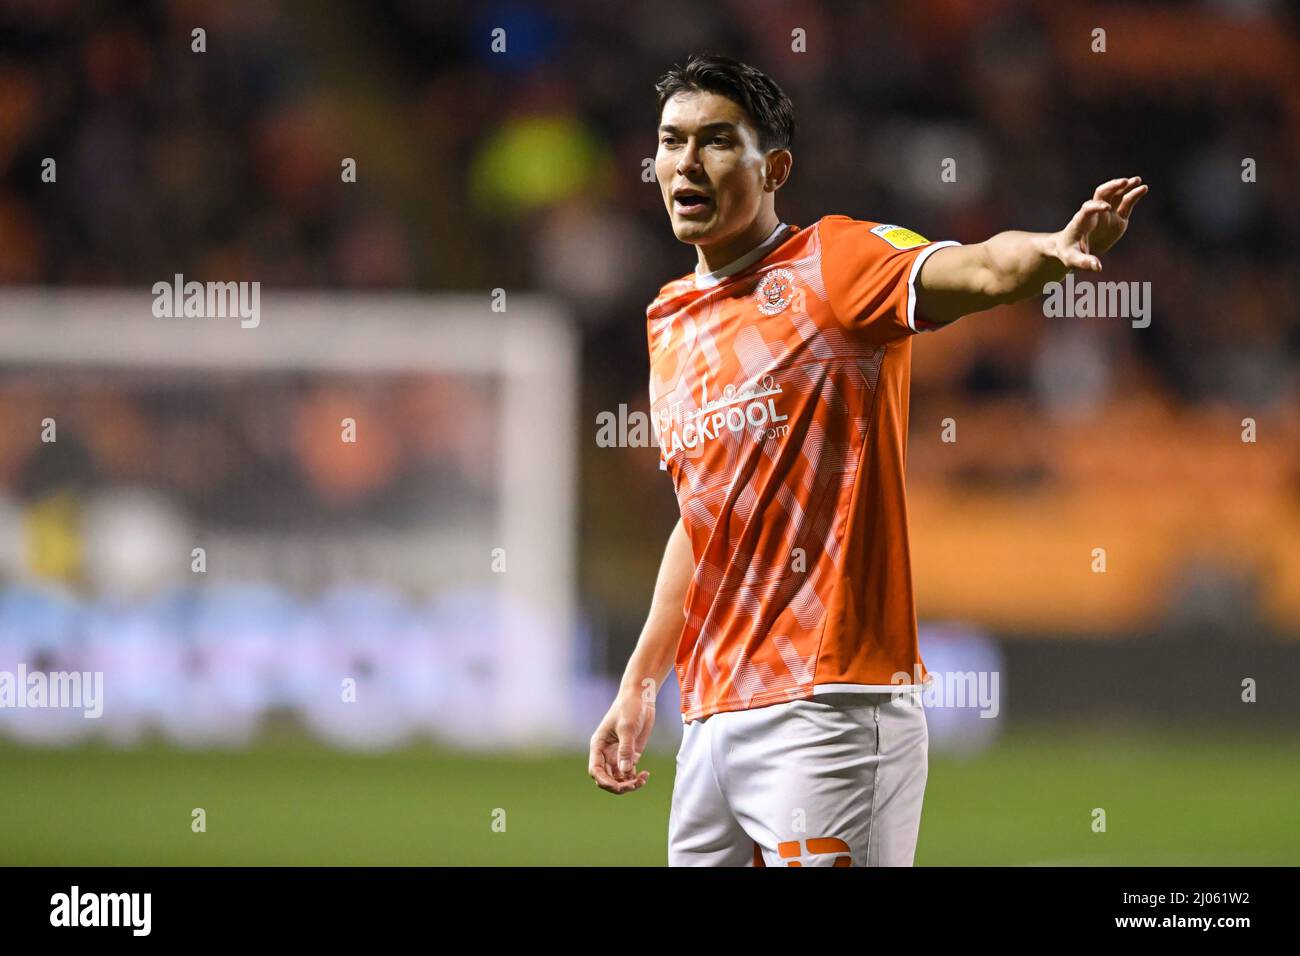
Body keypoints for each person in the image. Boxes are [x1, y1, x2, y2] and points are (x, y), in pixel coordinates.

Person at [587, 53, 1146, 867]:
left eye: (716, 141)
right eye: (672, 142)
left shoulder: (836, 264)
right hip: (711, 721)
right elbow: (701, 519)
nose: (686, 163)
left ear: (773, 166)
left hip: (832, 707)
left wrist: (1052, 253)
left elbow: (979, 267)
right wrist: (641, 683)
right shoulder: (669, 318)